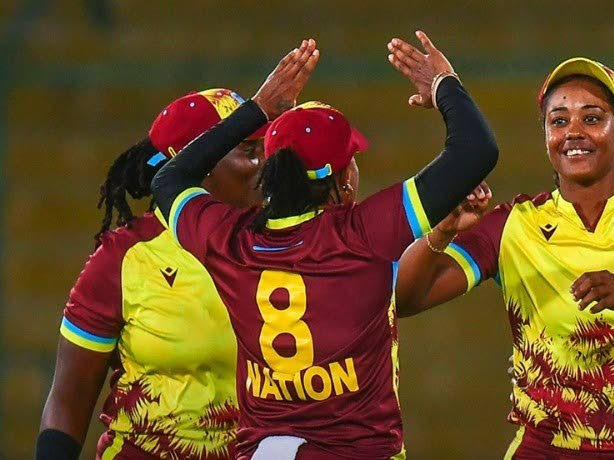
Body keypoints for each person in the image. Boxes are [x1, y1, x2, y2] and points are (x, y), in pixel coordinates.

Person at [150, 35, 498, 459]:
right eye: (351, 158)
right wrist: (444, 83)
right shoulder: (364, 234)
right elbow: (476, 149)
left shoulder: (229, 241)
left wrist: (258, 108)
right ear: (339, 179)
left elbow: (168, 180)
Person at [394, 56, 614, 459]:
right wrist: (442, 231)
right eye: (559, 120)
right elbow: (407, 298)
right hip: (545, 449)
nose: (574, 133)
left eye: (591, 118)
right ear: (546, 136)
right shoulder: (514, 224)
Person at [37, 88, 267, 460]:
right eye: (249, 151)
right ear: (198, 162)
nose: (265, 165)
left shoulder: (285, 243)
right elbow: (69, 401)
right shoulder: (124, 260)